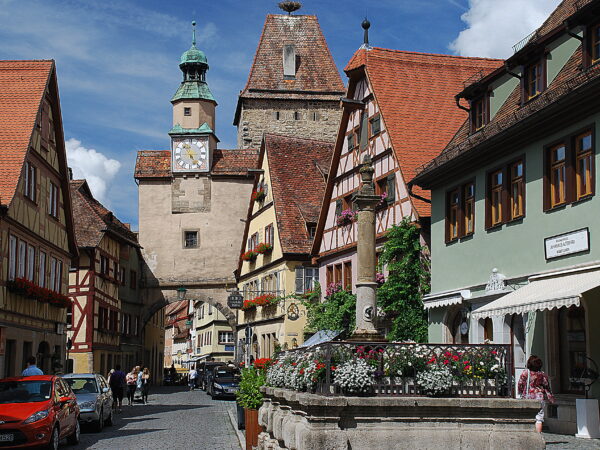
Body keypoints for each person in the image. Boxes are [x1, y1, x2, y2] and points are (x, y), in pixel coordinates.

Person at [518, 355, 555, 433]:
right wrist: (550, 396)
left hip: (528, 397)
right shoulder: (542, 374)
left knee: (528, 417)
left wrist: (521, 392)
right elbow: (546, 385)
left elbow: (520, 383)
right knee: (539, 418)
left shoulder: (526, 373)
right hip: (539, 397)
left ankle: (529, 436)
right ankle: (538, 436)